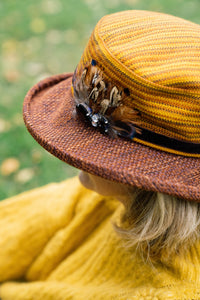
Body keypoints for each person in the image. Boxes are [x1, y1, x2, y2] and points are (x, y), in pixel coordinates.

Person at [0, 10, 200, 300]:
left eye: (98, 153)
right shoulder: (119, 197)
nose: (75, 157)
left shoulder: (162, 292)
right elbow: (28, 221)